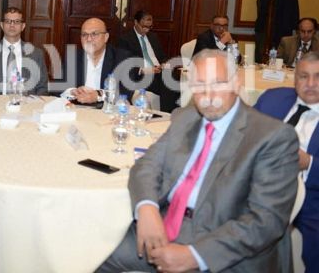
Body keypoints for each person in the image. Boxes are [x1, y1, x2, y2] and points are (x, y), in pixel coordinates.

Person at [97, 49, 299, 273]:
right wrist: (147, 207)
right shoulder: (185, 118)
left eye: (218, 83)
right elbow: (147, 165)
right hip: (164, 224)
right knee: (92, 256)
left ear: (236, 83)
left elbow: (266, 221)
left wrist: (195, 256)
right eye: (200, 85)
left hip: (224, 249)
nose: (209, 95)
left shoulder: (272, 136)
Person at [254, 50, 319, 272]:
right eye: (304, 76)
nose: (311, 84)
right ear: (294, 78)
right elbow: (243, 134)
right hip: (259, 187)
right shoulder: (273, 99)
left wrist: (308, 162)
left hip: (312, 198)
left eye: (318, 77)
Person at [0, 7, 48, 95]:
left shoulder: (35, 54)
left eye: (17, 21)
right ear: (2, 25)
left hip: (26, 102)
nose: (12, 25)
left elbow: (42, 88)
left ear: (23, 26)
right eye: (8, 21)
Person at [59, 18, 132, 104]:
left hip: (107, 108)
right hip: (77, 108)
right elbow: (57, 87)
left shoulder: (122, 58)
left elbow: (127, 91)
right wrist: (72, 92)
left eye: (94, 34)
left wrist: (98, 95)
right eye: (84, 35)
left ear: (106, 37)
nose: (89, 39)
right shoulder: (73, 57)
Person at [117, 10, 179, 112]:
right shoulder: (125, 39)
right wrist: (144, 70)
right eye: (144, 27)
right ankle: (167, 113)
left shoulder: (153, 37)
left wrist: (164, 63)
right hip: (142, 75)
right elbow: (124, 63)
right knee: (167, 80)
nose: (146, 30)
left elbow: (162, 56)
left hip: (158, 71)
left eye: (149, 27)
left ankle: (172, 111)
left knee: (173, 76)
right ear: (136, 22)